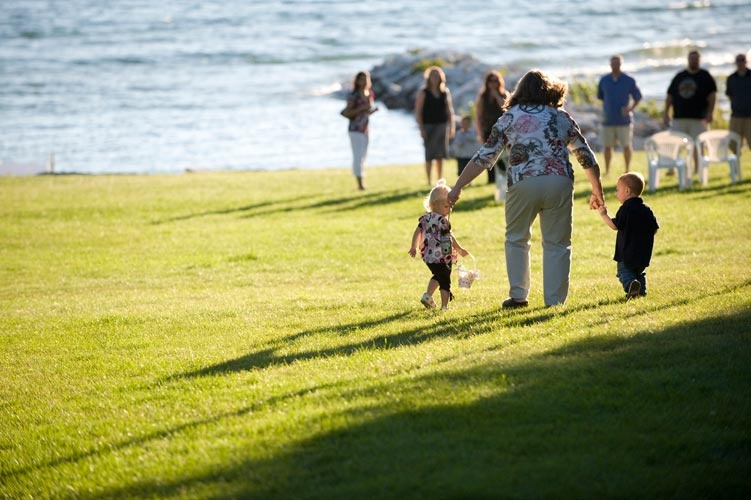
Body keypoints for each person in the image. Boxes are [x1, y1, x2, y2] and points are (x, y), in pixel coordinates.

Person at [447, 69, 604, 309]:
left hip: (524, 182)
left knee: (517, 239)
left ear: (519, 91)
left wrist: (458, 186)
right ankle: (555, 301)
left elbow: (484, 157)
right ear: (550, 91)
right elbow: (586, 156)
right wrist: (597, 190)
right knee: (558, 243)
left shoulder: (509, 118)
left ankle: (518, 296)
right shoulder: (561, 117)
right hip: (559, 181)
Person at [409, 179, 469, 311]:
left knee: (438, 275)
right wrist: (459, 249)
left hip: (428, 257)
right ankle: (444, 306)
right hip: (442, 256)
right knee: (445, 281)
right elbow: (449, 236)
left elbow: (417, 232)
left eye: (450, 206)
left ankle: (427, 296)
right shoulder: (443, 221)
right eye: (446, 206)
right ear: (435, 205)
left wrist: (413, 247)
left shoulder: (425, 218)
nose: (450, 209)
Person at [597, 172, 659, 299]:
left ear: (627, 191)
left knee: (624, 272)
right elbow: (654, 229)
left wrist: (604, 215)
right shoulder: (646, 209)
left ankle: (631, 285)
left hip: (627, 253)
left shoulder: (626, 209)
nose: (616, 193)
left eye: (617, 190)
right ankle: (640, 292)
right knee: (639, 273)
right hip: (643, 253)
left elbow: (615, 226)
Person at [663, 50, 717, 171]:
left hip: (699, 118)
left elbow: (712, 96)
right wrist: (666, 113)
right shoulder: (680, 76)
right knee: (675, 144)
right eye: (692, 59)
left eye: (696, 59)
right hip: (679, 118)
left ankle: (698, 169)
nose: (694, 61)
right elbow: (670, 96)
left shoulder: (705, 76)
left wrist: (710, 112)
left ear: (699, 60)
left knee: (698, 145)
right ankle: (671, 168)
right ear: (688, 60)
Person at [597, 55, 642, 175]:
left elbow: (638, 97)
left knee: (626, 145)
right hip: (608, 119)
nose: (615, 66)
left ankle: (627, 169)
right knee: (607, 146)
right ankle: (607, 171)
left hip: (624, 120)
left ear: (621, 65)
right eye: (613, 64)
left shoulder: (629, 80)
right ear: (610, 65)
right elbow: (601, 96)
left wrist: (630, 108)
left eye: (617, 64)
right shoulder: (604, 80)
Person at [414, 66, 455, 186]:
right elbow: (418, 111)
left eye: (437, 75)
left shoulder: (445, 92)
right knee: (429, 154)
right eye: (433, 75)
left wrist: (452, 126)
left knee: (440, 154)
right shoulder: (424, 92)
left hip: (442, 125)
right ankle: (428, 180)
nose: (435, 78)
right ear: (428, 77)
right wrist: (421, 128)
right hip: (428, 126)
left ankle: (439, 179)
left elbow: (449, 111)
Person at [341, 71, 377, 190]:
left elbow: (366, 113)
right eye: (361, 79)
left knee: (364, 155)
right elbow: (347, 112)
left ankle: (361, 180)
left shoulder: (369, 93)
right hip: (355, 129)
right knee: (358, 156)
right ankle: (360, 183)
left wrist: (371, 111)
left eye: (366, 79)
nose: (364, 81)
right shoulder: (354, 95)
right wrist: (362, 108)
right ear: (357, 81)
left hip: (365, 129)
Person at [476, 70, 510, 185]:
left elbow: (505, 108)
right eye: (490, 81)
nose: (493, 83)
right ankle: (491, 179)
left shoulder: (504, 94)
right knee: (488, 154)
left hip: (502, 129)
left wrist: (496, 96)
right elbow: (479, 115)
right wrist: (479, 131)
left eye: (495, 81)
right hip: (487, 128)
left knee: (503, 155)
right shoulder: (483, 97)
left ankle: (504, 176)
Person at [726, 52, 751, 153]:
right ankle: (736, 163)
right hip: (736, 116)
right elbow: (730, 95)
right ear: (735, 63)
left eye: (742, 60)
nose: (740, 63)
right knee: (734, 145)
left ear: (746, 62)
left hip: (750, 116)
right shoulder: (731, 78)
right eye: (738, 60)